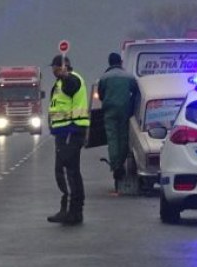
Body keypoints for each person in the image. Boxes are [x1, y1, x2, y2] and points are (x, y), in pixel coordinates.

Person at [46, 54, 90, 225]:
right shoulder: (59, 83)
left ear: (61, 67)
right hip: (64, 131)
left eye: (54, 67)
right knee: (67, 170)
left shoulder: (71, 79)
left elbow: (71, 87)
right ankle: (70, 208)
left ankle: (72, 211)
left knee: (67, 170)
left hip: (70, 130)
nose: (53, 70)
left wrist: (65, 75)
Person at [97, 52, 140, 192]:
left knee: (112, 138)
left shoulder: (104, 78)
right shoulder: (129, 77)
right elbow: (135, 91)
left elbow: (101, 94)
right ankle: (121, 162)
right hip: (125, 110)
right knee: (123, 137)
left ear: (109, 63)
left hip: (110, 111)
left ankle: (116, 165)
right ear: (121, 62)